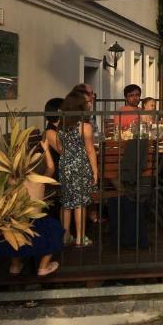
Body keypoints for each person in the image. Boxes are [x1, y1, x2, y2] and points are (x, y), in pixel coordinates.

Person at [58, 90, 97, 246]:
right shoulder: (85, 127)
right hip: (80, 165)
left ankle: (66, 236)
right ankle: (80, 237)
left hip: (65, 165)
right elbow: (90, 150)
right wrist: (95, 170)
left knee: (67, 202)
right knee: (80, 202)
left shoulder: (62, 126)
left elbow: (61, 148)